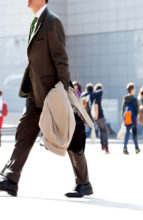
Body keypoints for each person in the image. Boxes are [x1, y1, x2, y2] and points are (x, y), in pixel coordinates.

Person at [0, 0, 92, 198]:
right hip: (35, 92)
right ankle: (10, 179)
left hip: (52, 93)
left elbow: (62, 59)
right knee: (24, 132)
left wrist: (63, 90)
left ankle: (84, 182)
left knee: (71, 133)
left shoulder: (52, 22)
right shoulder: (36, 22)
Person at [122, 83, 140, 154]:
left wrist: (123, 118)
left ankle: (125, 147)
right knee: (134, 133)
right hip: (133, 119)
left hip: (126, 118)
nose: (135, 90)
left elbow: (123, 109)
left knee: (127, 133)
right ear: (132, 90)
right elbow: (137, 110)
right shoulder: (134, 99)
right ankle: (136, 148)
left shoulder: (125, 98)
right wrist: (135, 116)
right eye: (134, 89)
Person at [93, 83, 109, 153]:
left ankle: (102, 145)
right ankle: (106, 146)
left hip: (96, 117)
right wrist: (97, 114)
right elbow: (96, 104)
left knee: (100, 131)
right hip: (100, 116)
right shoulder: (98, 95)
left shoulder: (93, 96)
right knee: (104, 131)